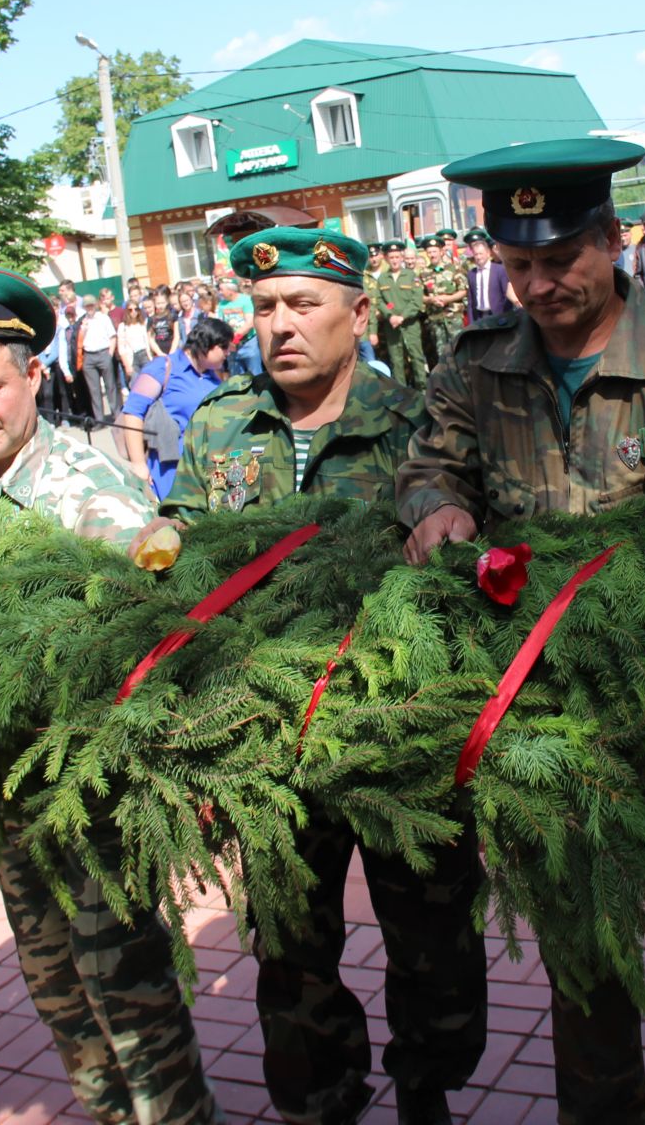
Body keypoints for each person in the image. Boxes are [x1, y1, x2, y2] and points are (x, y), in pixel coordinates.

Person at [397, 138, 645, 1125]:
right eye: (518, 266)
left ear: (610, 240)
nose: (539, 286)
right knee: (581, 952)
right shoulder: (474, 370)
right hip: (542, 717)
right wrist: (437, 507)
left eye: (560, 260)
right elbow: (431, 465)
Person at [135, 229, 486, 1125]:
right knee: (291, 947)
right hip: (268, 739)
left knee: (433, 938)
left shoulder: (417, 423)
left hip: (397, 729)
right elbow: (181, 521)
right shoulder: (223, 421)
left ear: (359, 313)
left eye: (304, 304)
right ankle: (321, 1097)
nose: (280, 326)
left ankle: (425, 1087)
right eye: (264, 308)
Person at [0, 266, 223, 1124]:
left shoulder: (88, 491)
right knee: (57, 992)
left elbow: (156, 619)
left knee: (128, 990)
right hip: (0, 791)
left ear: (34, 375)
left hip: (93, 790)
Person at [117, 315, 233, 500]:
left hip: (207, 469)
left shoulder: (213, 376)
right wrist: (138, 464)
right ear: (206, 344)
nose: (228, 352)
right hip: (170, 470)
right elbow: (132, 413)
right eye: (225, 346)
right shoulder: (163, 367)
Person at [379, 241, 428, 388]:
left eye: (397, 257)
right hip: (392, 326)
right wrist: (390, 316)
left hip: (410, 325)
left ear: (402, 258)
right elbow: (379, 300)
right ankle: (402, 394)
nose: (394, 260)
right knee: (397, 361)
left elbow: (416, 300)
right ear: (387, 259)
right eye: (391, 257)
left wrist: (402, 317)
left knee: (417, 358)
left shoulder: (411, 276)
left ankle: (423, 390)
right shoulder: (382, 279)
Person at [419, 233, 468, 366]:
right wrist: (431, 300)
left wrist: (448, 298)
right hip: (436, 320)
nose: (432, 255)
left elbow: (463, 290)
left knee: (460, 351)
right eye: (429, 252)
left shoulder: (454, 268)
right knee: (442, 355)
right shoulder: (423, 273)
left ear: (441, 251)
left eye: (435, 251)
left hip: (453, 318)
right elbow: (420, 296)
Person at [78, 294, 119, 420]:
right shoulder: (82, 320)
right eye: (87, 305)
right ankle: (99, 419)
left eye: (91, 305)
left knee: (110, 386)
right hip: (89, 356)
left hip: (103, 353)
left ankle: (116, 415)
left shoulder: (103, 318)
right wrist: (83, 329)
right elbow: (79, 341)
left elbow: (112, 336)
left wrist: (109, 354)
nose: (89, 307)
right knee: (94, 390)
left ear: (95, 305)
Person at [463, 226, 514, 323]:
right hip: (480, 316)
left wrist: (506, 317)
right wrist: (471, 320)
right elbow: (471, 301)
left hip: (498, 315)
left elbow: (506, 295)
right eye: (476, 254)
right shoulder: (471, 274)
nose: (478, 257)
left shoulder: (499, 270)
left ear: (488, 253)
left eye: (481, 254)